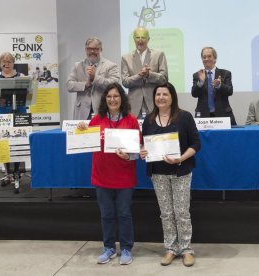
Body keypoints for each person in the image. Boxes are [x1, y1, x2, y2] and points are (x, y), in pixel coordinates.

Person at [77, 83, 141, 265]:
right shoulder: (97, 120)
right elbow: (85, 142)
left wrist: (129, 156)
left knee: (124, 214)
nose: (112, 99)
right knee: (106, 214)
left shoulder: (131, 121)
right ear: (105, 99)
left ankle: (127, 248)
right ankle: (109, 248)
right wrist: (81, 130)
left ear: (122, 98)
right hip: (102, 176)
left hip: (124, 177)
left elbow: (138, 150)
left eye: (116, 96)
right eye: (109, 96)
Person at [140, 82, 201, 267]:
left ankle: (186, 249)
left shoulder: (184, 117)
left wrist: (180, 158)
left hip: (180, 171)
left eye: (165, 94)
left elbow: (196, 144)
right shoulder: (149, 120)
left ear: (172, 96)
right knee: (166, 213)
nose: (161, 97)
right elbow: (145, 145)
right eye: (158, 94)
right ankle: (171, 248)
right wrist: (143, 151)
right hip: (158, 173)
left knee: (181, 212)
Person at [0, 52, 26, 187]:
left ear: (13, 63)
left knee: (17, 142)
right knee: (3, 143)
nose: (6, 64)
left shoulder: (21, 77)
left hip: (18, 112)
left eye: (9, 61)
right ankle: (8, 174)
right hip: (1, 114)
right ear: (0, 63)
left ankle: (16, 172)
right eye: (4, 61)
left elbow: (28, 92)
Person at [67, 37, 120, 120]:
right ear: (85, 50)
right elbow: (69, 85)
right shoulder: (78, 65)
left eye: (95, 49)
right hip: (82, 112)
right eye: (89, 49)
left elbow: (114, 84)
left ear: (101, 49)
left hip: (102, 110)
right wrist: (85, 84)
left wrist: (95, 78)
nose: (92, 51)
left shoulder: (110, 65)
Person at [121, 27, 168, 118]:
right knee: (134, 132)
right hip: (134, 107)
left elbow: (164, 79)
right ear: (134, 39)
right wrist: (139, 75)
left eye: (143, 37)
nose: (140, 40)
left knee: (155, 132)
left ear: (148, 39)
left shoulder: (159, 55)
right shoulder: (126, 58)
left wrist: (149, 75)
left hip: (154, 104)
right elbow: (125, 82)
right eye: (137, 37)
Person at [191, 47, 237, 125]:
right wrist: (200, 82)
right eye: (204, 57)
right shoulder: (197, 75)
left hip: (223, 115)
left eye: (209, 56)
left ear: (215, 58)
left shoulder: (225, 73)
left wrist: (219, 85)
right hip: (203, 116)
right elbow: (194, 94)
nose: (206, 59)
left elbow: (230, 91)